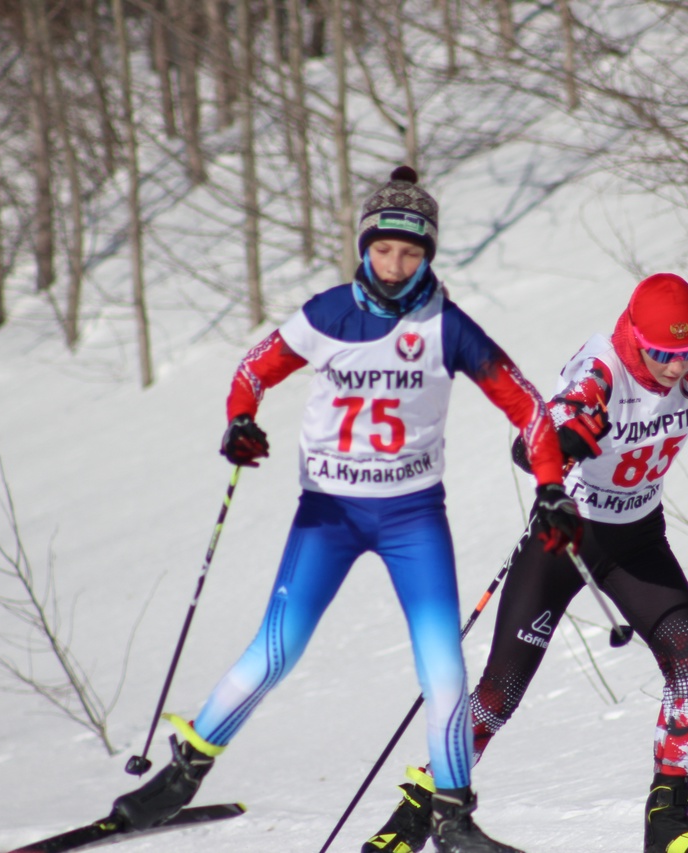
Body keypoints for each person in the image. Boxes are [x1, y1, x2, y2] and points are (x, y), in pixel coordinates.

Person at [110, 166, 583, 853]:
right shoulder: (327, 314)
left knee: (444, 669)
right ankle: (181, 776)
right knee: (276, 648)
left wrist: (549, 483)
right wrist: (240, 421)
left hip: (412, 517)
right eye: (384, 250)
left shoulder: (447, 326)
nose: (395, 266)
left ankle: (451, 817)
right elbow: (252, 372)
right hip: (329, 513)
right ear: (364, 247)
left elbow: (529, 407)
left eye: (411, 253)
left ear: (428, 255)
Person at [361, 269, 688, 853]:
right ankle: (413, 818)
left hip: (636, 541)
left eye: (684, 351)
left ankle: (668, 822)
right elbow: (528, 443)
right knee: (499, 694)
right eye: (661, 352)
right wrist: (566, 441)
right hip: (566, 542)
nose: (675, 367)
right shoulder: (601, 371)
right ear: (636, 335)